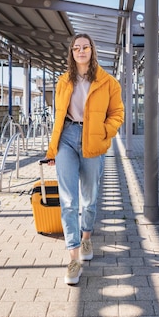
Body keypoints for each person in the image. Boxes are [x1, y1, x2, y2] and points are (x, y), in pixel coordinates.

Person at [44, 33, 124, 285]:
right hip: (67, 137)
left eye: (85, 47)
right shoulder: (63, 81)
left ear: (92, 50)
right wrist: (53, 148)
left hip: (93, 140)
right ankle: (73, 257)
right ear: (71, 52)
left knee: (89, 198)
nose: (81, 51)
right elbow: (58, 116)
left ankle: (86, 237)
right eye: (76, 47)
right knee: (68, 200)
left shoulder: (108, 82)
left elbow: (117, 114)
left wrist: (103, 132)